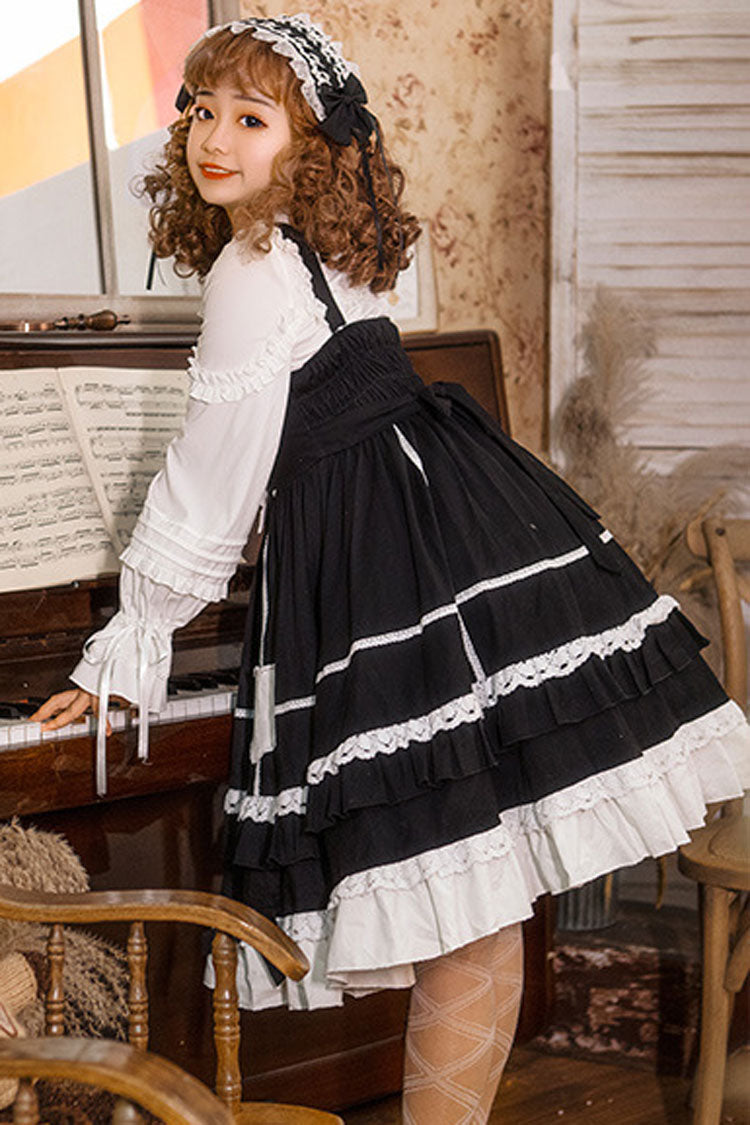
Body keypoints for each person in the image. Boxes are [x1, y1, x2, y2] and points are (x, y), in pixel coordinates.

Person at [32, 14, 750, 1124]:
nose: (213, 138)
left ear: (312, 144)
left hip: (380, 574)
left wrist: (131, 645)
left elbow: (212, 483)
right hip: (453, 533)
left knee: (465, 911)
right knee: (483, 908)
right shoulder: (318, 248)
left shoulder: (250, 269)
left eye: (251, 119)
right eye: (201, 111)